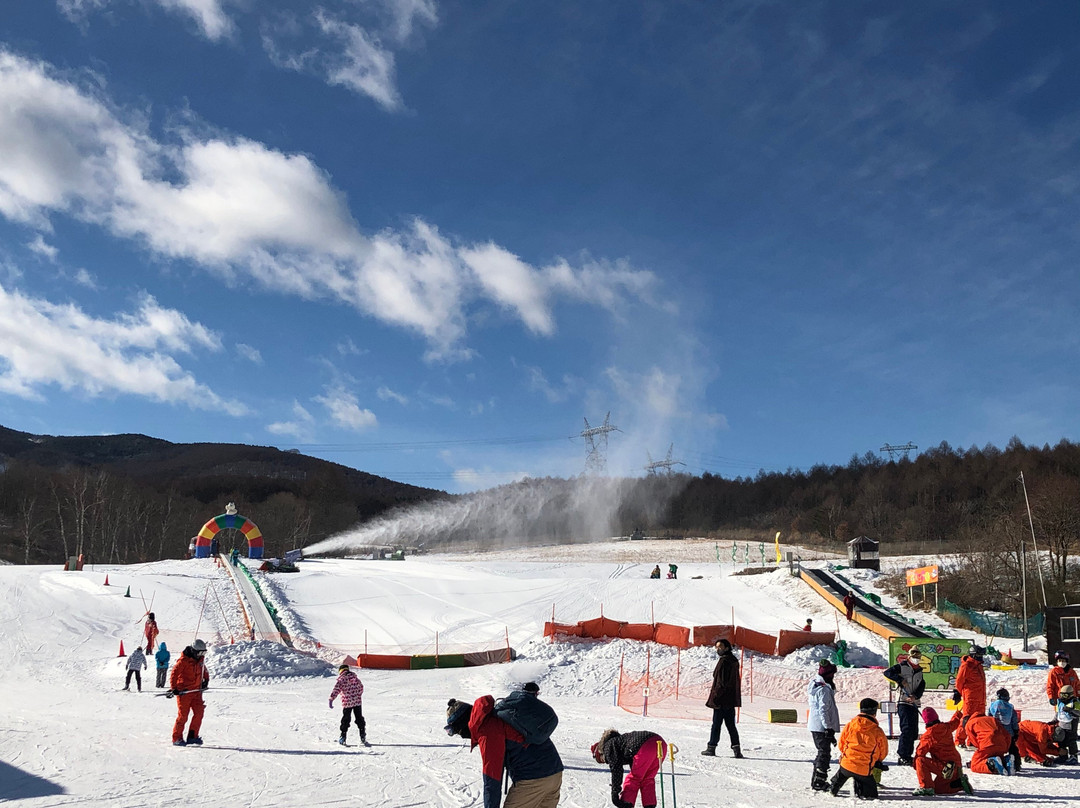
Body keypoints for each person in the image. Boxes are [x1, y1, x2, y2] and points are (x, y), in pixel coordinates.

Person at [445, 695, 563, 808]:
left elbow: (492, 780)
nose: (458, 735)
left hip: (533, 779)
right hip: (555, 773)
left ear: (462, 723)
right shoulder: (499, 715)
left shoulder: (487, 731)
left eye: (454, 730)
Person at [829, 698, 889, 800]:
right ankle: (860, 787)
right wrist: (878, 761)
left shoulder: (850, 725)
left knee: (842, 773)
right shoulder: (877, 731)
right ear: (874, 712)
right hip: (864, 770)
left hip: (846, 765)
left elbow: (842, 743)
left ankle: (834, 785)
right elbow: (883, 750)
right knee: (872, 795)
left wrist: (845, 754)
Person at [592, 729, 667, 808]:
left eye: (602, 760)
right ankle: (649, 805)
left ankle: (626, 804)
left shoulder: (609, 746)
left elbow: (616, 769)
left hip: (645, 746)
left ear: (600, 752)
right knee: (647, 778)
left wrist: (615, 793)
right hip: (660, 744)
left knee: (634, 778)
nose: (606, 761)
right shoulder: (621, 741)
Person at [912, 707, 969, 796]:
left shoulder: (929, 735)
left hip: (945, 767)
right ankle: (958, 783)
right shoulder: (946, 727)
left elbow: (920, 752)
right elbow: (955, 722)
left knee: (920, 760)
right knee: (938, 789)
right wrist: (958, 713)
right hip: (956, 764)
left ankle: (926, 787)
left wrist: (915, 764)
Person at [883, 646, 925, 766]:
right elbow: (887, 673)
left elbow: (921, 686)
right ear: (909, 657)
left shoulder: (920, 671)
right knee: (906, 729)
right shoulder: (902, 666)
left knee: (913, 731)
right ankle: (903, 755)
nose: (916, 659)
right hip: (903, 701)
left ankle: (908, 754)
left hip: (913, 702)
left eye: (918, 657)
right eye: (914, 657)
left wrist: (915, 696)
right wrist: (900, 680)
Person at [701, 638, 742, 758]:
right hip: (730, 700)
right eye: (716, 647)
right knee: (731, 726)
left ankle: (711, 747)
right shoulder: (733, 660)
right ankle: (737, 749)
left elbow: (721, 682)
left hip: (721, 699)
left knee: (716, 725)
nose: (717, 649)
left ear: (727, 648)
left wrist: (716, 698)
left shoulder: (724, 661)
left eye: (720, 647)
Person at [168, 638, 210, 746]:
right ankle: (177, 738)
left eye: (203, 653)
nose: (202, 655)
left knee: (199, 713)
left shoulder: (200, 659)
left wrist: (206, 679)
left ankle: (193, 736)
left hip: (196, 692)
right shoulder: (184, 661)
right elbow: (174, 674)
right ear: (194, 651)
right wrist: (174, 688)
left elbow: (203, 669)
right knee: (183, 716)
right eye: (200, 652)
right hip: (185, 692)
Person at [808, 659, 841, 791]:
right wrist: (828, 727)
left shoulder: (815, 684)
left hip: (816, 725)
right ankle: (819, 781)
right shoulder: (823, 690)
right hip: (821, 726)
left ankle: (817, 779)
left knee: (822, 752)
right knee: (824, 753)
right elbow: (823, 709)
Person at [952, 645, 986, 748]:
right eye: (979, 655)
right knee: (966, 719)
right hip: (971, 698)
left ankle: (972, 741)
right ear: (974, 655)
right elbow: (959, 681)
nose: (981, 657)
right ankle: (959, 740)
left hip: (980, 698)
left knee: (978, 721)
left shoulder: (979, 666)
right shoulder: (966, 666)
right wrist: (958, 692)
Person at [329, 664, 368, 746]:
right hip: (357, 702)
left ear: (341, 671)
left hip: (347, 703)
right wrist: (357, 695)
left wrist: (331, 698)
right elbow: (361, 687)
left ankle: (343, 736)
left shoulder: (341, 679)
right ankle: (362, 735)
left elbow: (336, 689)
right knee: (359, 718)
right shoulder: (355, 678)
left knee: (346, 719)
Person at [988, 688, 1020, 771]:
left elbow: (989, 718)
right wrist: (1016, 731)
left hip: (996, 731)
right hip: (1008, 732)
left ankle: (996, 763)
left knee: (995, 748)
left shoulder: (993, 705)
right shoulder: (1010, 708)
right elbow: (1014, 721)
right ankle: (1016, 764)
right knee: (1013, 748)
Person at [1054, 684, 1079, 764]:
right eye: (1061, 695)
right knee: (1061, 741)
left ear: (1071, 695)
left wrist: (1071, 710)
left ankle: (1073, 756)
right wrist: (1054, 721)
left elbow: (1079, 713)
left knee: (1071, 740)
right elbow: (1058, 712)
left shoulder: (1075, 702)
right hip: (1061, 724)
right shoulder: (1060, 702)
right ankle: (1063, 756)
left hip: (1071, 725)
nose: (1063, 697)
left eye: (1065, 695)